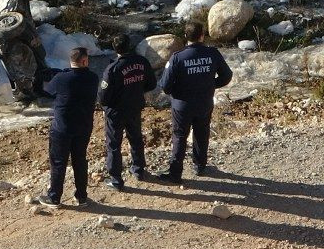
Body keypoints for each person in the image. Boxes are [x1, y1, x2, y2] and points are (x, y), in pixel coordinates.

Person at [158, 22, 233, 182]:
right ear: (202, 36)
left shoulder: (177, 57)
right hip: (204, 102)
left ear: (186, 36)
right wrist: (211, 84)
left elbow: (165, 86)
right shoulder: (213, 53)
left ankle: (175, 173)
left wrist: (176, 92)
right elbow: (227, 76)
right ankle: (199, 165)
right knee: (201, 132)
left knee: (179, 136)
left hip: (182, 104)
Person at [39, 47, 99, 206]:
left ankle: (54, 197)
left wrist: (56, 75)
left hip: (62, 128)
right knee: (80, 160)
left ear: (70, 61)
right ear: (85, 61)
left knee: (59, 162)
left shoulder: (61, 79)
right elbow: (79, 77)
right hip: (84, 127)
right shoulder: (93, 78)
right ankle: (82, 196)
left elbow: (47, 91)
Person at [99, 34, 157, 190]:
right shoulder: (142, 62)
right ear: (130, 46)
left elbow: (103, 97)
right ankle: (138, 169)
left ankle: (116, 179)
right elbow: (152, 84)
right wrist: (137, 90)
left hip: (116, 112)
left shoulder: (112, 69)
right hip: (135, 107)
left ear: (115, 49)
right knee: (136, 138)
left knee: (114, 144)